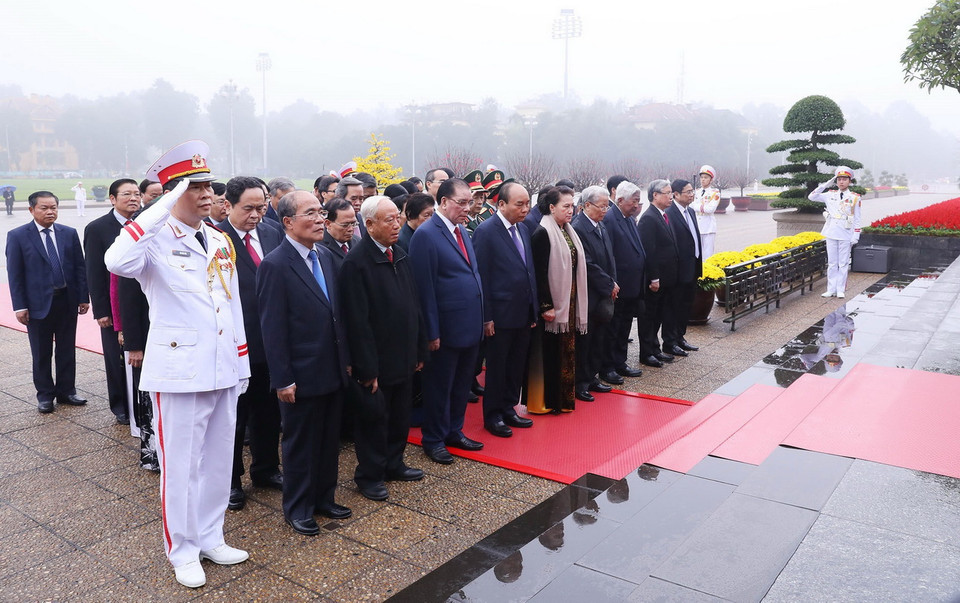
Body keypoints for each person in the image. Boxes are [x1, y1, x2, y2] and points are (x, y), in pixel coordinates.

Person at [104, 141, 250, 588]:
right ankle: (182, 550)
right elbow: (116, 261)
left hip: (223, 367)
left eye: (209, 187)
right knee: (181, 467)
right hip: (180, 372)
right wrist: (161, 206)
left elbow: (232, 303)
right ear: (173, 193)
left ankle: (211, 536)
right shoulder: (152, 240)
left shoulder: (219, 238)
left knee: (218, 461)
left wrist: (242, 362)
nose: (207, 195)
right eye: (195, 188)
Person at [257, 190, 352, 535]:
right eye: (309, 213)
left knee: (329, 440)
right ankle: (298, 508)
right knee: (300, 444)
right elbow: (272, 328)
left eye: (320, 212)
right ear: (287, 222)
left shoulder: (323, 255)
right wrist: (282, 378)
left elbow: (336, 314)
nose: (319, 219)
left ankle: (324, 498)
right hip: (300, 373)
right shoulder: (275, 265)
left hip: (332, 367)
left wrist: (346, 361)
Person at [340, 196, 426, 501]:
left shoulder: (399, 253)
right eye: (388, 220)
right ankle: (369, 475)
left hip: (404, 355)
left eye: (397, 218)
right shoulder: (356, 263)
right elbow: (357, 321)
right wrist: (367, 368)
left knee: (400, 416)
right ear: (369, 224)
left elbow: (413, 305)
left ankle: (394, 463)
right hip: (377, 360)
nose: (396, 224)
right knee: (374, 420)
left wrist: (419, 350)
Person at [218, 176, 283, 511]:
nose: (256, 214)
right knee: (234, 418)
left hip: (271, 342)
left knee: (268, 412)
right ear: (228, 205)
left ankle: (266, 468)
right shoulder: (215, 240)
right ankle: (229, 481)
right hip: (236, 344)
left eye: (261, 207)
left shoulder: (272, 232)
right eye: (248, 208)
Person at [409, 178, 485, 464]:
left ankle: (454, 430)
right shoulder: (427, 234)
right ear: (443, 202)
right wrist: (431, 332)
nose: (467, 208)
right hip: (445, 328)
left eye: (469, 202)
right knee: (439, 387)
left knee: (461, 385)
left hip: (469, 325)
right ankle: (433, 439)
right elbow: (424, 288)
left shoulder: (461, 230)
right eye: (461, 202)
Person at [6, 191, 89, 413]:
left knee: (66, 349)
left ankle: (66, 391)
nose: (50, 212)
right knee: (41, 352)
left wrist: (83, 297)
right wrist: (20, 306)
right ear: (31, 210)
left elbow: (79, 267)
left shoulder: (68, 233)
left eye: (53, 207)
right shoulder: (18, 236)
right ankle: (45, 395)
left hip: (66, 300)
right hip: (37, 305)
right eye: (44, 208)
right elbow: (15, 274)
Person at [472, 182, 538, 437]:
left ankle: (509, 407)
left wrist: (533, 308)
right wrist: (486, 316)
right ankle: (493, 415)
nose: (525, 209)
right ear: (501, 204)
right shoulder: (486, 232)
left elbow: (528, 270)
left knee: (516, 365)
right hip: (500, 315)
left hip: (523, 312)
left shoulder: (523, 229)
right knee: (498, 368)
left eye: (527, 204)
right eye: (519, 204)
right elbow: (482, 277)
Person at [84, 179, 142, 424]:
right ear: (112, 199)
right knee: (115, 357)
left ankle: (141, 404)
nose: (134, 198)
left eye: (137, 194)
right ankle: (120, 406)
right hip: (113, 305)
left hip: (140, 302)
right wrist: (101, 310)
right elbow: (94, 272)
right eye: (127, 194)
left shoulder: (145, 223)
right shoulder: (97, 228)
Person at [528, 186, 588, 414]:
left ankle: (564, 399)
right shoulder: (542, 233)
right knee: (551, 353)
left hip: (570, 300)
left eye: (572, 206)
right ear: (552, 207)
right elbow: (540, 273)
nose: (571, 210)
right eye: (566, 206)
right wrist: (547, 305)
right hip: (554, 304)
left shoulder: (568, 230)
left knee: (567, 351)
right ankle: (549, 401)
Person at [571, 186, 619, 401]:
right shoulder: (578, 228)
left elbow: (609, 257)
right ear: (587, 205)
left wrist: (613, 282)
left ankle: (592, 377)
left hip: (603, 292)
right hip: (588, 294)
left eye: (607, 206)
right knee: (586, 340)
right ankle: (580, 382)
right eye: (602, 206)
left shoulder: (601, 225)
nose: (605, 211)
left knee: (599, 338)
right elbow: (587, 264)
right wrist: (608, 284)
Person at [600, 180, 645, 385]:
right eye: (633, 201)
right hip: (618, 286)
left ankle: (620, 361)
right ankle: (607, 367)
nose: (636, 205)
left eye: (638, 201)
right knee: (613, 328)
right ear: (619, 200)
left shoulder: (629, 219)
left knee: (625, 326)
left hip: (631, 286)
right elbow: (608, 255)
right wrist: (612, 282)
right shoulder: (610, 219)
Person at [638, 180, 680, 368]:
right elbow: (649, 251)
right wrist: (654, 277)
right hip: (655, 280)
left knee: (658, 316)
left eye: (671, 192)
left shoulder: (663, 215)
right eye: (667, 193)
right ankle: (646, 353)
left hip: (667, 279)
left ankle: (655, 349)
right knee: (649, 317)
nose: (671, 196)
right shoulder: (648, 218)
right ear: (655, 195)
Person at [811, 166, 862, 298]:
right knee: (832, 263)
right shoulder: (830, 195)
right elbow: (812, 197)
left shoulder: (854, 197)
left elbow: (857, 218)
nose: (841, 182)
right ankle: (831, 289)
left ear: (849, 181)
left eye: (844, 179)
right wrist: (825, 185)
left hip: (846, 232)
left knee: (843, 263)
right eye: (839, 179)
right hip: (832, 231)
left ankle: (840, 289)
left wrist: (856, 235)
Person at [663, 179, 702, 355]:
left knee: (686, 305)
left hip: (692, 267)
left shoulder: (690, 211)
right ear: (676, 194)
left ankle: (680, 337)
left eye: (692, 191)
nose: (692, 194)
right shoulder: (669, 213)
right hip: (678, 271)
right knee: (673, 307)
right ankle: (670, 342)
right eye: (688, 192)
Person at [321, 197, 361, 270]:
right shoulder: (319, 247)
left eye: (353, 223)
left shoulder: (359, 243)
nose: (351, 229)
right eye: (345, 225)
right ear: (328, 224)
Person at [692, 165, 721, 260]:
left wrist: (697, 206)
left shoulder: (715, 193)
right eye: (701, 177)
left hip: (708, 227)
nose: (703, 180)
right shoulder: (696, 192)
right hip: (697, 225)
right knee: (697, 254)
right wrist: (702, 207)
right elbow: (690, 206)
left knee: (708, 255)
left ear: (711, 180)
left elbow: (710, 209)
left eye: (706, 177)